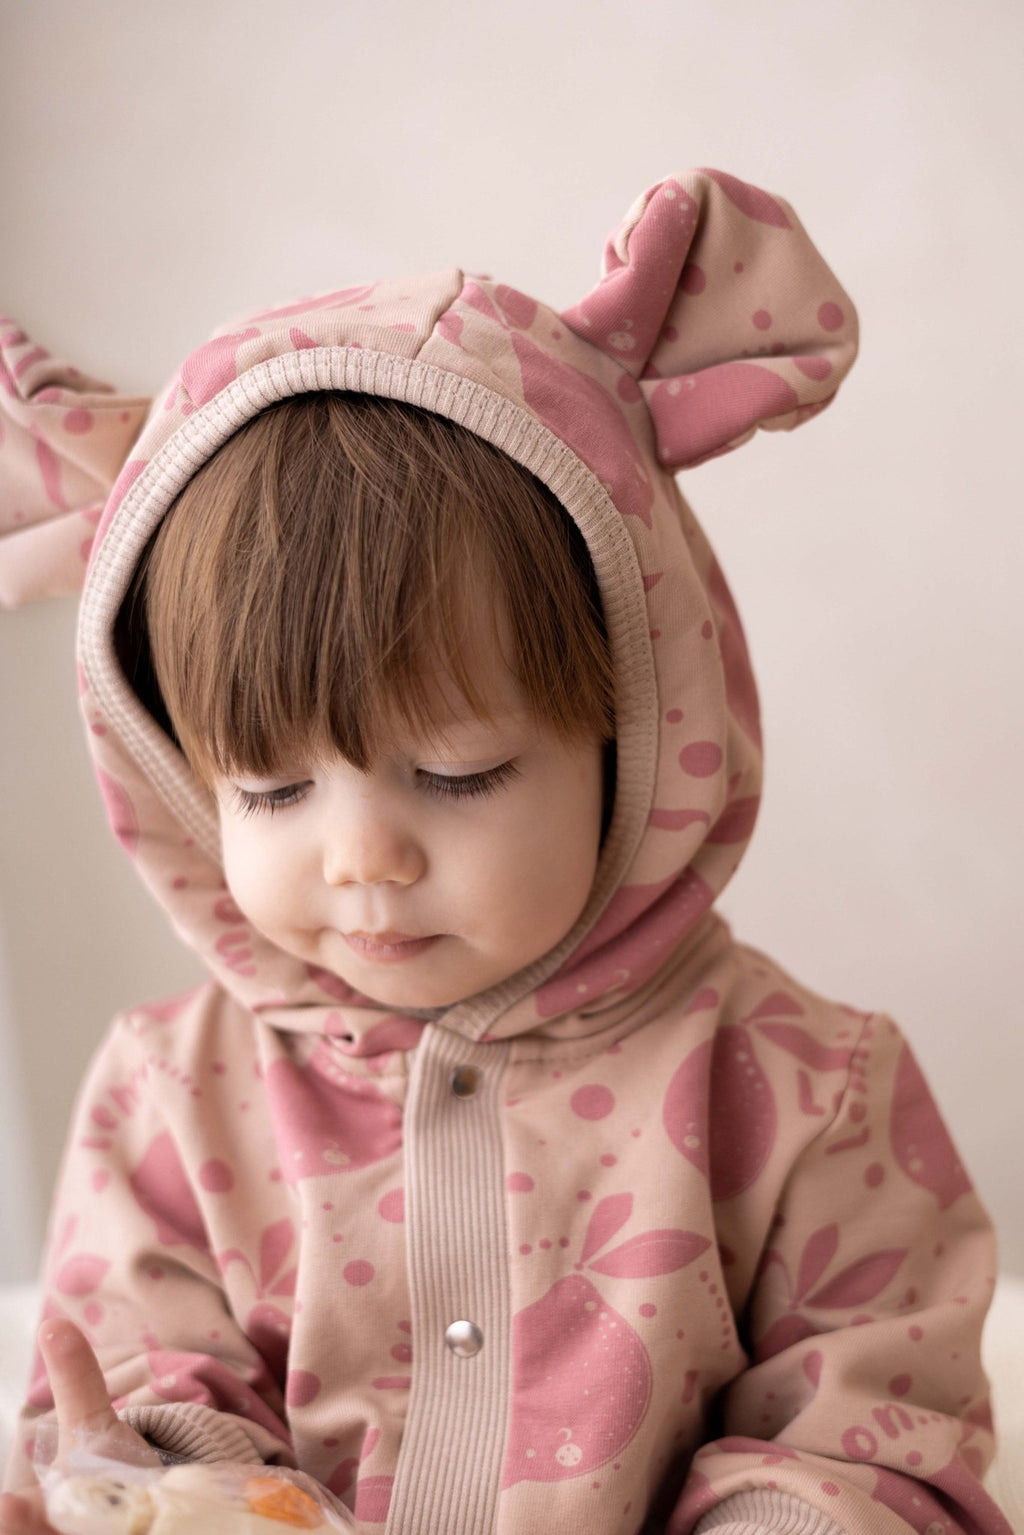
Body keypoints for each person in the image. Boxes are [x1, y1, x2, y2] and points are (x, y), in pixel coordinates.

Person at [0, 168, 1010, 1535]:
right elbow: (139, 1373)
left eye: (456, 772)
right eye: (273, 789)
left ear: (640, 735)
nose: (362, 859)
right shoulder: (168, 1095)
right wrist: (170, 1486)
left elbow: (876, 1433)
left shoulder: (810, 1088)